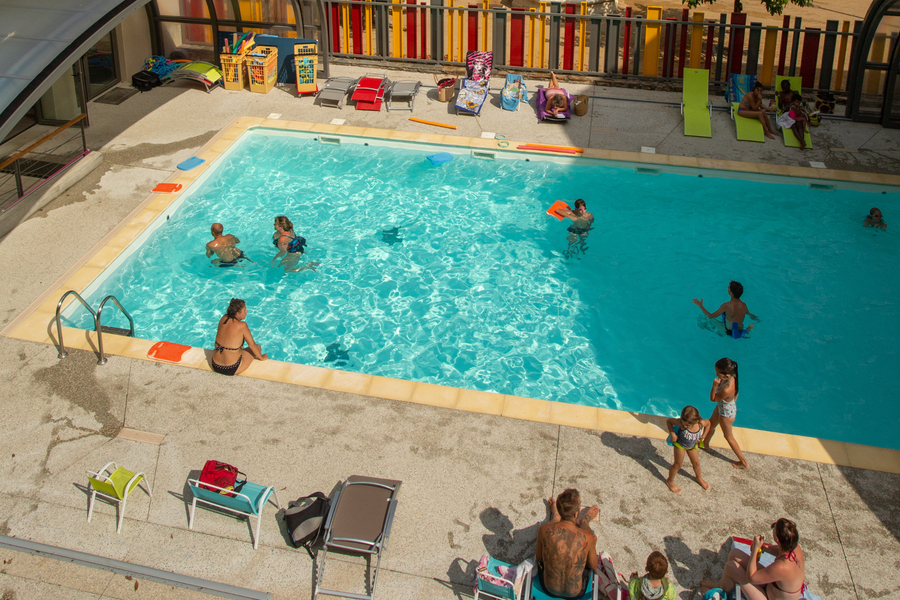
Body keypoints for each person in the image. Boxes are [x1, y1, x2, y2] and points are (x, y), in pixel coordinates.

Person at [701, 518, 806, 600]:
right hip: (773, 588)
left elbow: (751, 577)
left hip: (769, 597)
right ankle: (721, 585)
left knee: (731, 567)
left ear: (777, 539)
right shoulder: (794, 547)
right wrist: (763, 547)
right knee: (735, 554)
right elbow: (778, 549)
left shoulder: (782, 567)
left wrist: (755, 550)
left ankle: (720, 593)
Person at [535, 489, 601, 599]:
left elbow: (539, 558)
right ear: (576, 514)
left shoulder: (543, 529)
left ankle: (555, 516)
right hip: (576, 593)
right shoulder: (587, 537)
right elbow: (593, 565)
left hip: (548, 588)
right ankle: (584, 521)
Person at [701, 357, 750, 469]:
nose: (716, 375)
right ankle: (705, 444)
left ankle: (743, 462)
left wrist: (714, 386)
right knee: (711, 424)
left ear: (726, 375)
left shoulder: (727, 389)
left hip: (726, 414)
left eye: (718, 374)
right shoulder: (733, 376)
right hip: (722, 407)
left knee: (728, 436)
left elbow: (713, 399)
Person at [211, 298, 268, 376]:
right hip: (231, 368)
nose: (246, 311)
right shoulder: (242, 325)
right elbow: (252, 345)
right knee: (258, 347)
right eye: (244, 310)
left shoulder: (223, 318)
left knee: (237, 348)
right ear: (237, 314)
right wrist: (262, 357)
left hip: (215, 365)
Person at [665, 406, 710, 493]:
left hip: (692, 446)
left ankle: (699, 477)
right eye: (683, 423)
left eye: (687, 425)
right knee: (678, 464)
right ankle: (670, 481)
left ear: (696, 421)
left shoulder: (700, 423)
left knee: (696, 463)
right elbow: (669, 421)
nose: (685, 425)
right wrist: (673, 434)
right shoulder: (681, 423)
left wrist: (704, 435)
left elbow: (708, 424)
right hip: (680, 445)